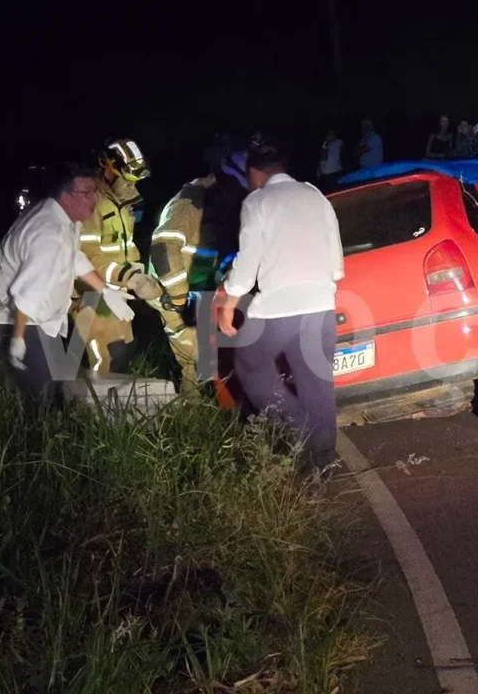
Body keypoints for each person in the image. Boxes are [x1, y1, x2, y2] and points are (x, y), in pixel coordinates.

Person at [217, 145, 344, 473]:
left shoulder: (257, 201)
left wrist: (228, 302)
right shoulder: (316, 196)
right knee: (316, 384)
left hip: (277, 309)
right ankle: (323, 460)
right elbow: (336, 266)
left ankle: (299, 431)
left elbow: (246, 267)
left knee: (248, 363)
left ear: (255, 173)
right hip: (321, 308)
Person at [0, 162, 136, 408]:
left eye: (94, 190)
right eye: (86, 193)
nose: (94, 198)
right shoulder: (48, 233)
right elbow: (26, 296)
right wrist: (19, 340)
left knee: (55, 382)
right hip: (16, 317)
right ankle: (32, 434)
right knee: (41, 394)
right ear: (66, 196)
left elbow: (75, 258)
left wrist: (106, 291)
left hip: (36, 315)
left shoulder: (65, 219)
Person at [145, 151, 251, 391]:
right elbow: (164, 247)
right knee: (196, 356)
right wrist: (180, 299)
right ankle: (192, 409)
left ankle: (209, 401)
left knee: (210, 358)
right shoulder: (193, 198)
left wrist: (227, 285)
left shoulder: (230, 204)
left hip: (202, 290)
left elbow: (227, 254)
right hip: (171, 291)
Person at [72, 138, 160, 374]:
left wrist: (140, 276)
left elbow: (126, 246)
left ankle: (107, 404)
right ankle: (92, 407)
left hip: (115, 291)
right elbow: (87, 258)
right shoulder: (90, 202)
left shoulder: (120, 203)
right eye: (128, 176)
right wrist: (131, 278)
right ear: (107, 166)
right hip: (90, 291)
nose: (131, 184)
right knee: (109, 356)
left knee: (124, 349)